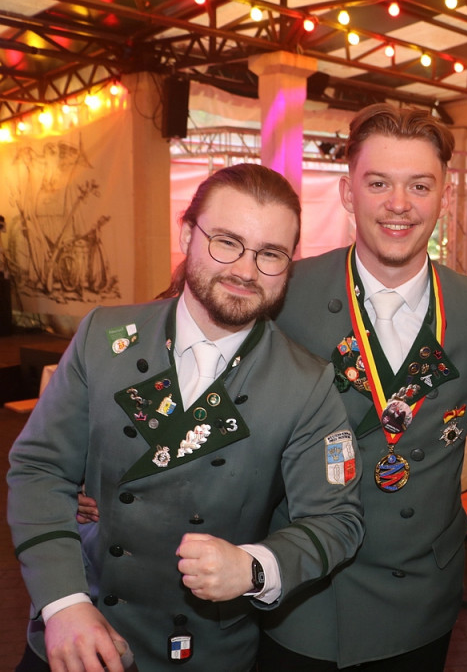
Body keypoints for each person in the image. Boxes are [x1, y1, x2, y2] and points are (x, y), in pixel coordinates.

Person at [7, 163, 364, 671]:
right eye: (227, 242)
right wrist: (63, 602)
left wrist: (254, 567)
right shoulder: (104, 337)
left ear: (291, 263)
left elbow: (337, 520)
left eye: (270, 254)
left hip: (201, 648)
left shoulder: (305, 384)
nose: (246, 270)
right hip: (80, 625)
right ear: (186, 235)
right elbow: (40, 469)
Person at [257, 103, 467, 671]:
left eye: (419, 185)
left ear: (444, 195)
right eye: (378, 183)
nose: (399, 204)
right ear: (348, 193)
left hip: (419, 600)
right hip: (306, 596)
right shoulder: (285, 295)